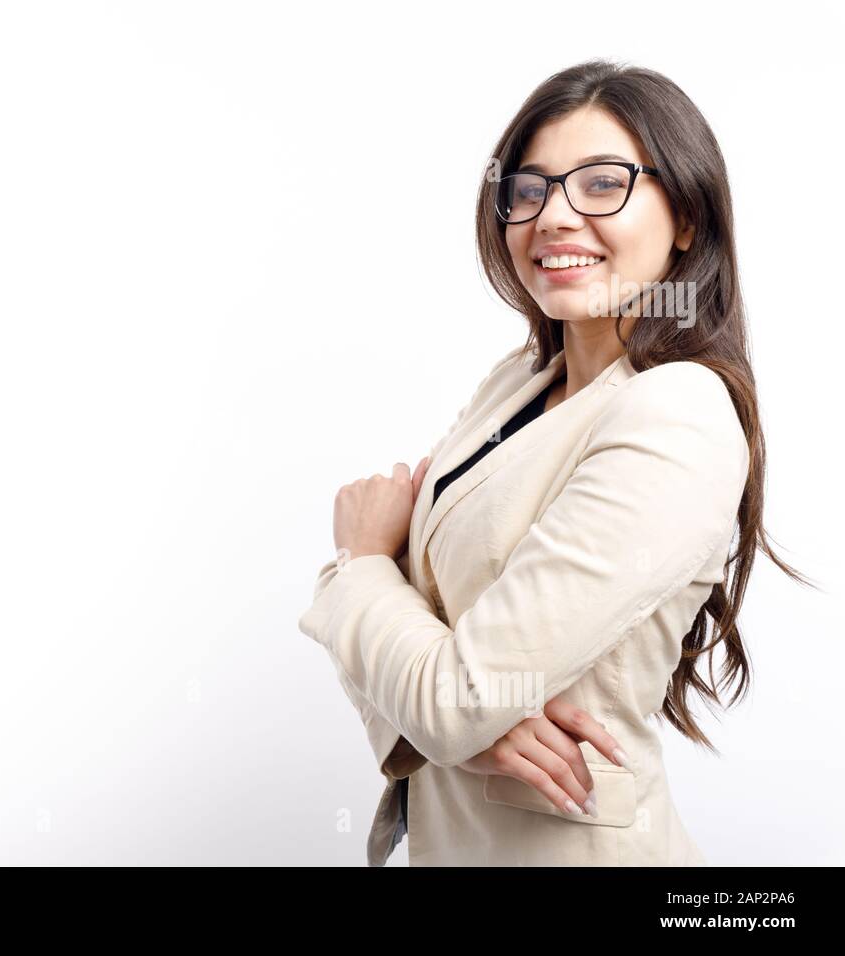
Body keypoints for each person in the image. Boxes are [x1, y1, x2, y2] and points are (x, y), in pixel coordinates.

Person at [298, 59, 814, 866]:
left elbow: (430, 667)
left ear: (686, 216)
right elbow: (424, 664)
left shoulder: (676, 413)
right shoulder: (515, 385)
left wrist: (358, 565)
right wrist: (459, 736)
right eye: (529, 189)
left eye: (603, 184)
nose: (554, 217)